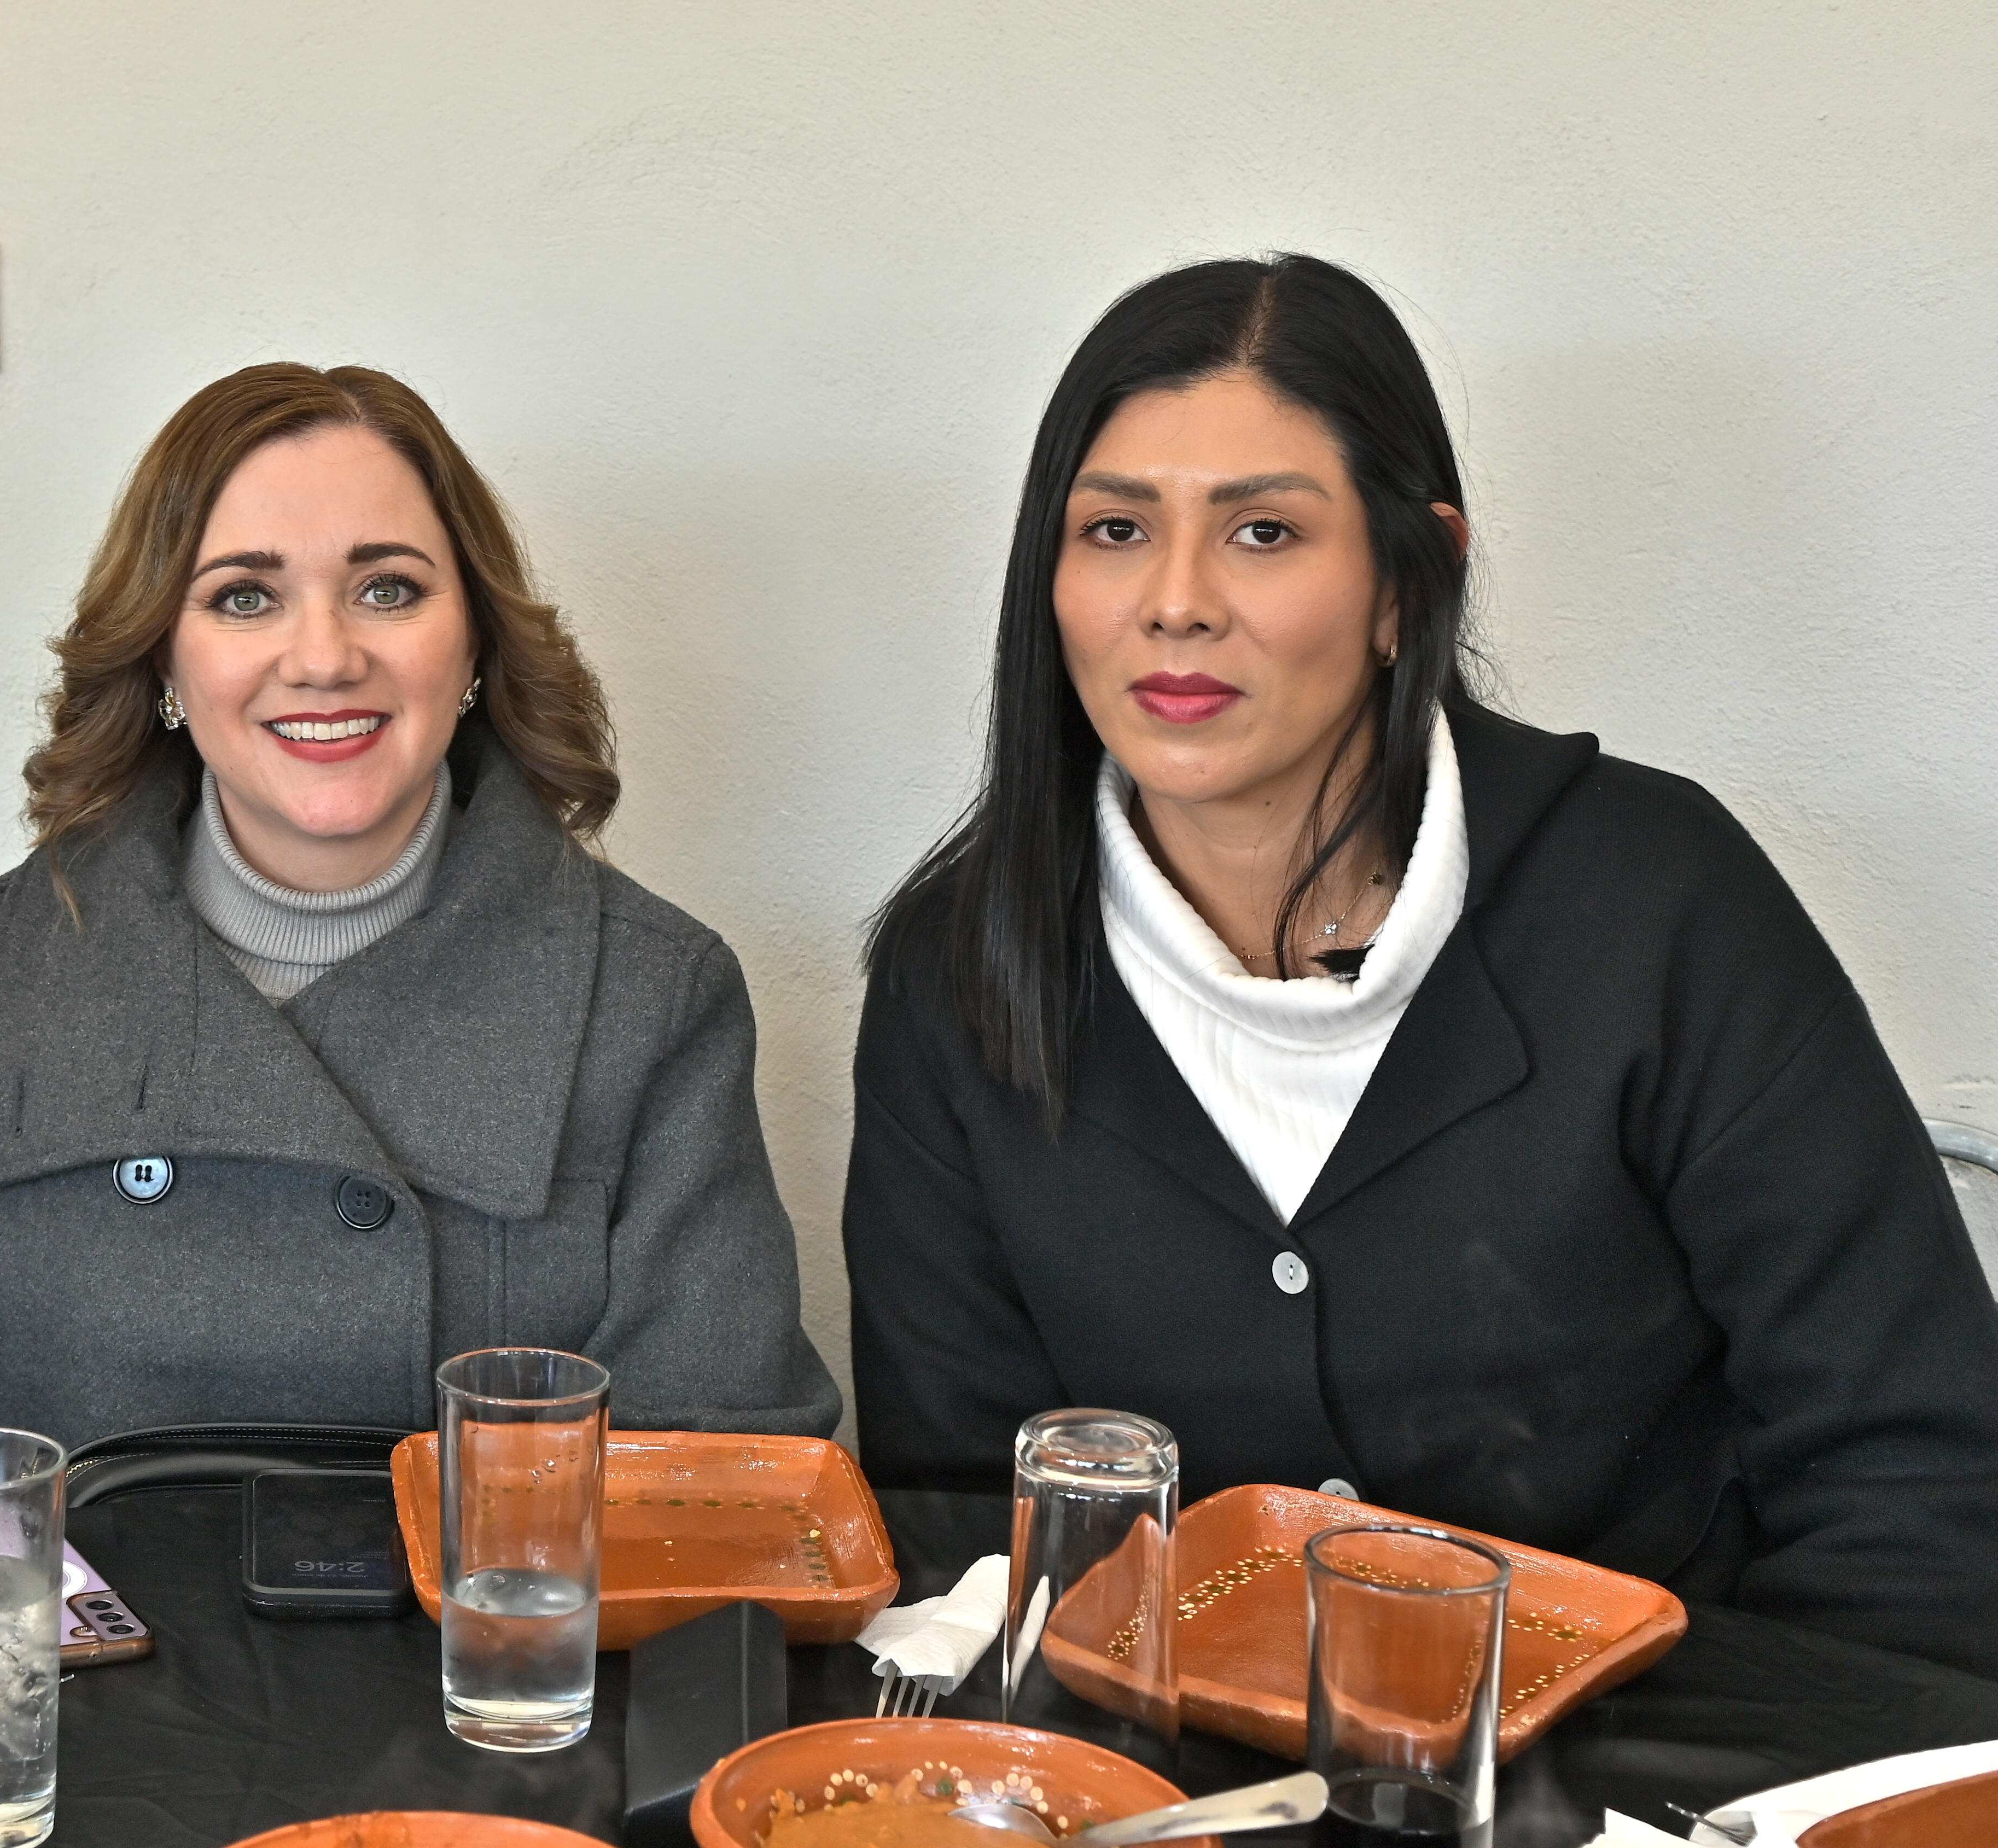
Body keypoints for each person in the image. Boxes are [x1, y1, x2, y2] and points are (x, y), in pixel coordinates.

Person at [846, 254, 1998, 1675]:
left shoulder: (1656, 902)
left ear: (1413, 578)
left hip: (1665, 1775)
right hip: (1175, 1791)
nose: (1178, 603)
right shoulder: (955, 974)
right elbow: (976, 1536)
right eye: (1115, 530)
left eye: (1264, 532)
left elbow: (1920, 1484)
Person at [0, 362, 836, 1514]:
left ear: (473, 641)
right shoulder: (1, 963)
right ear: (164, 658)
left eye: (388, 589)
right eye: (244, 596)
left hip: (482, 1689)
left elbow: (722, 1508)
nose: (324, 655)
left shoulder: (652, 994)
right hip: (74, 1685)